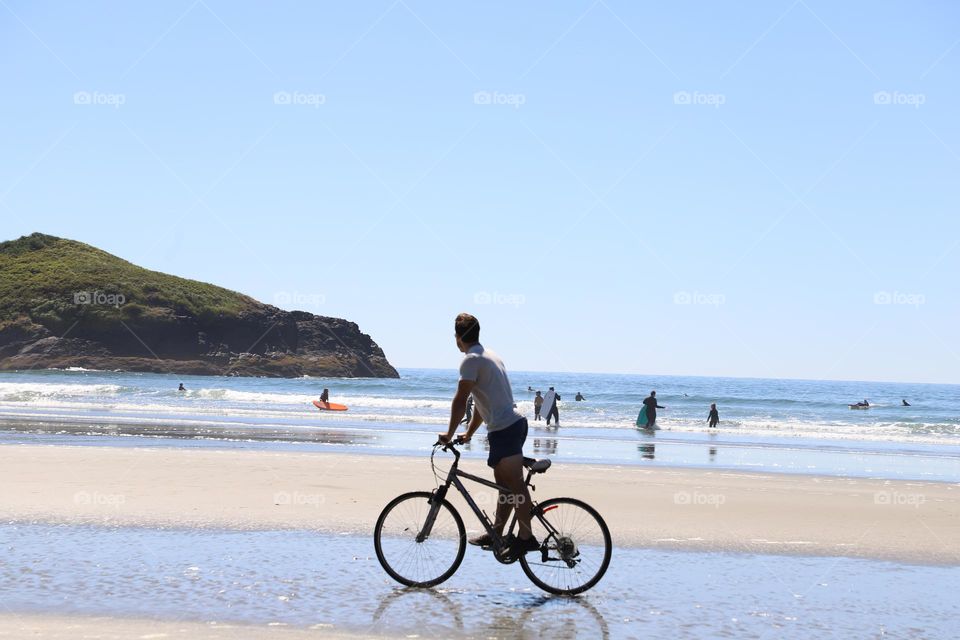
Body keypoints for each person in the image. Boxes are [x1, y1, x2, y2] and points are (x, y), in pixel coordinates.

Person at [438, 313, 537, 559]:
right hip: (507, 427)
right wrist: (468, 433)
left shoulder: (470, 360)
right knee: (504, 486)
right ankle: (497, 533)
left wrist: (448, 434)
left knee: (515, 486)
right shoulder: (490, 355)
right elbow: (485, 403)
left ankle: (526, 538)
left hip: (506, 428)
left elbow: (461, 400)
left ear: (457, 337)